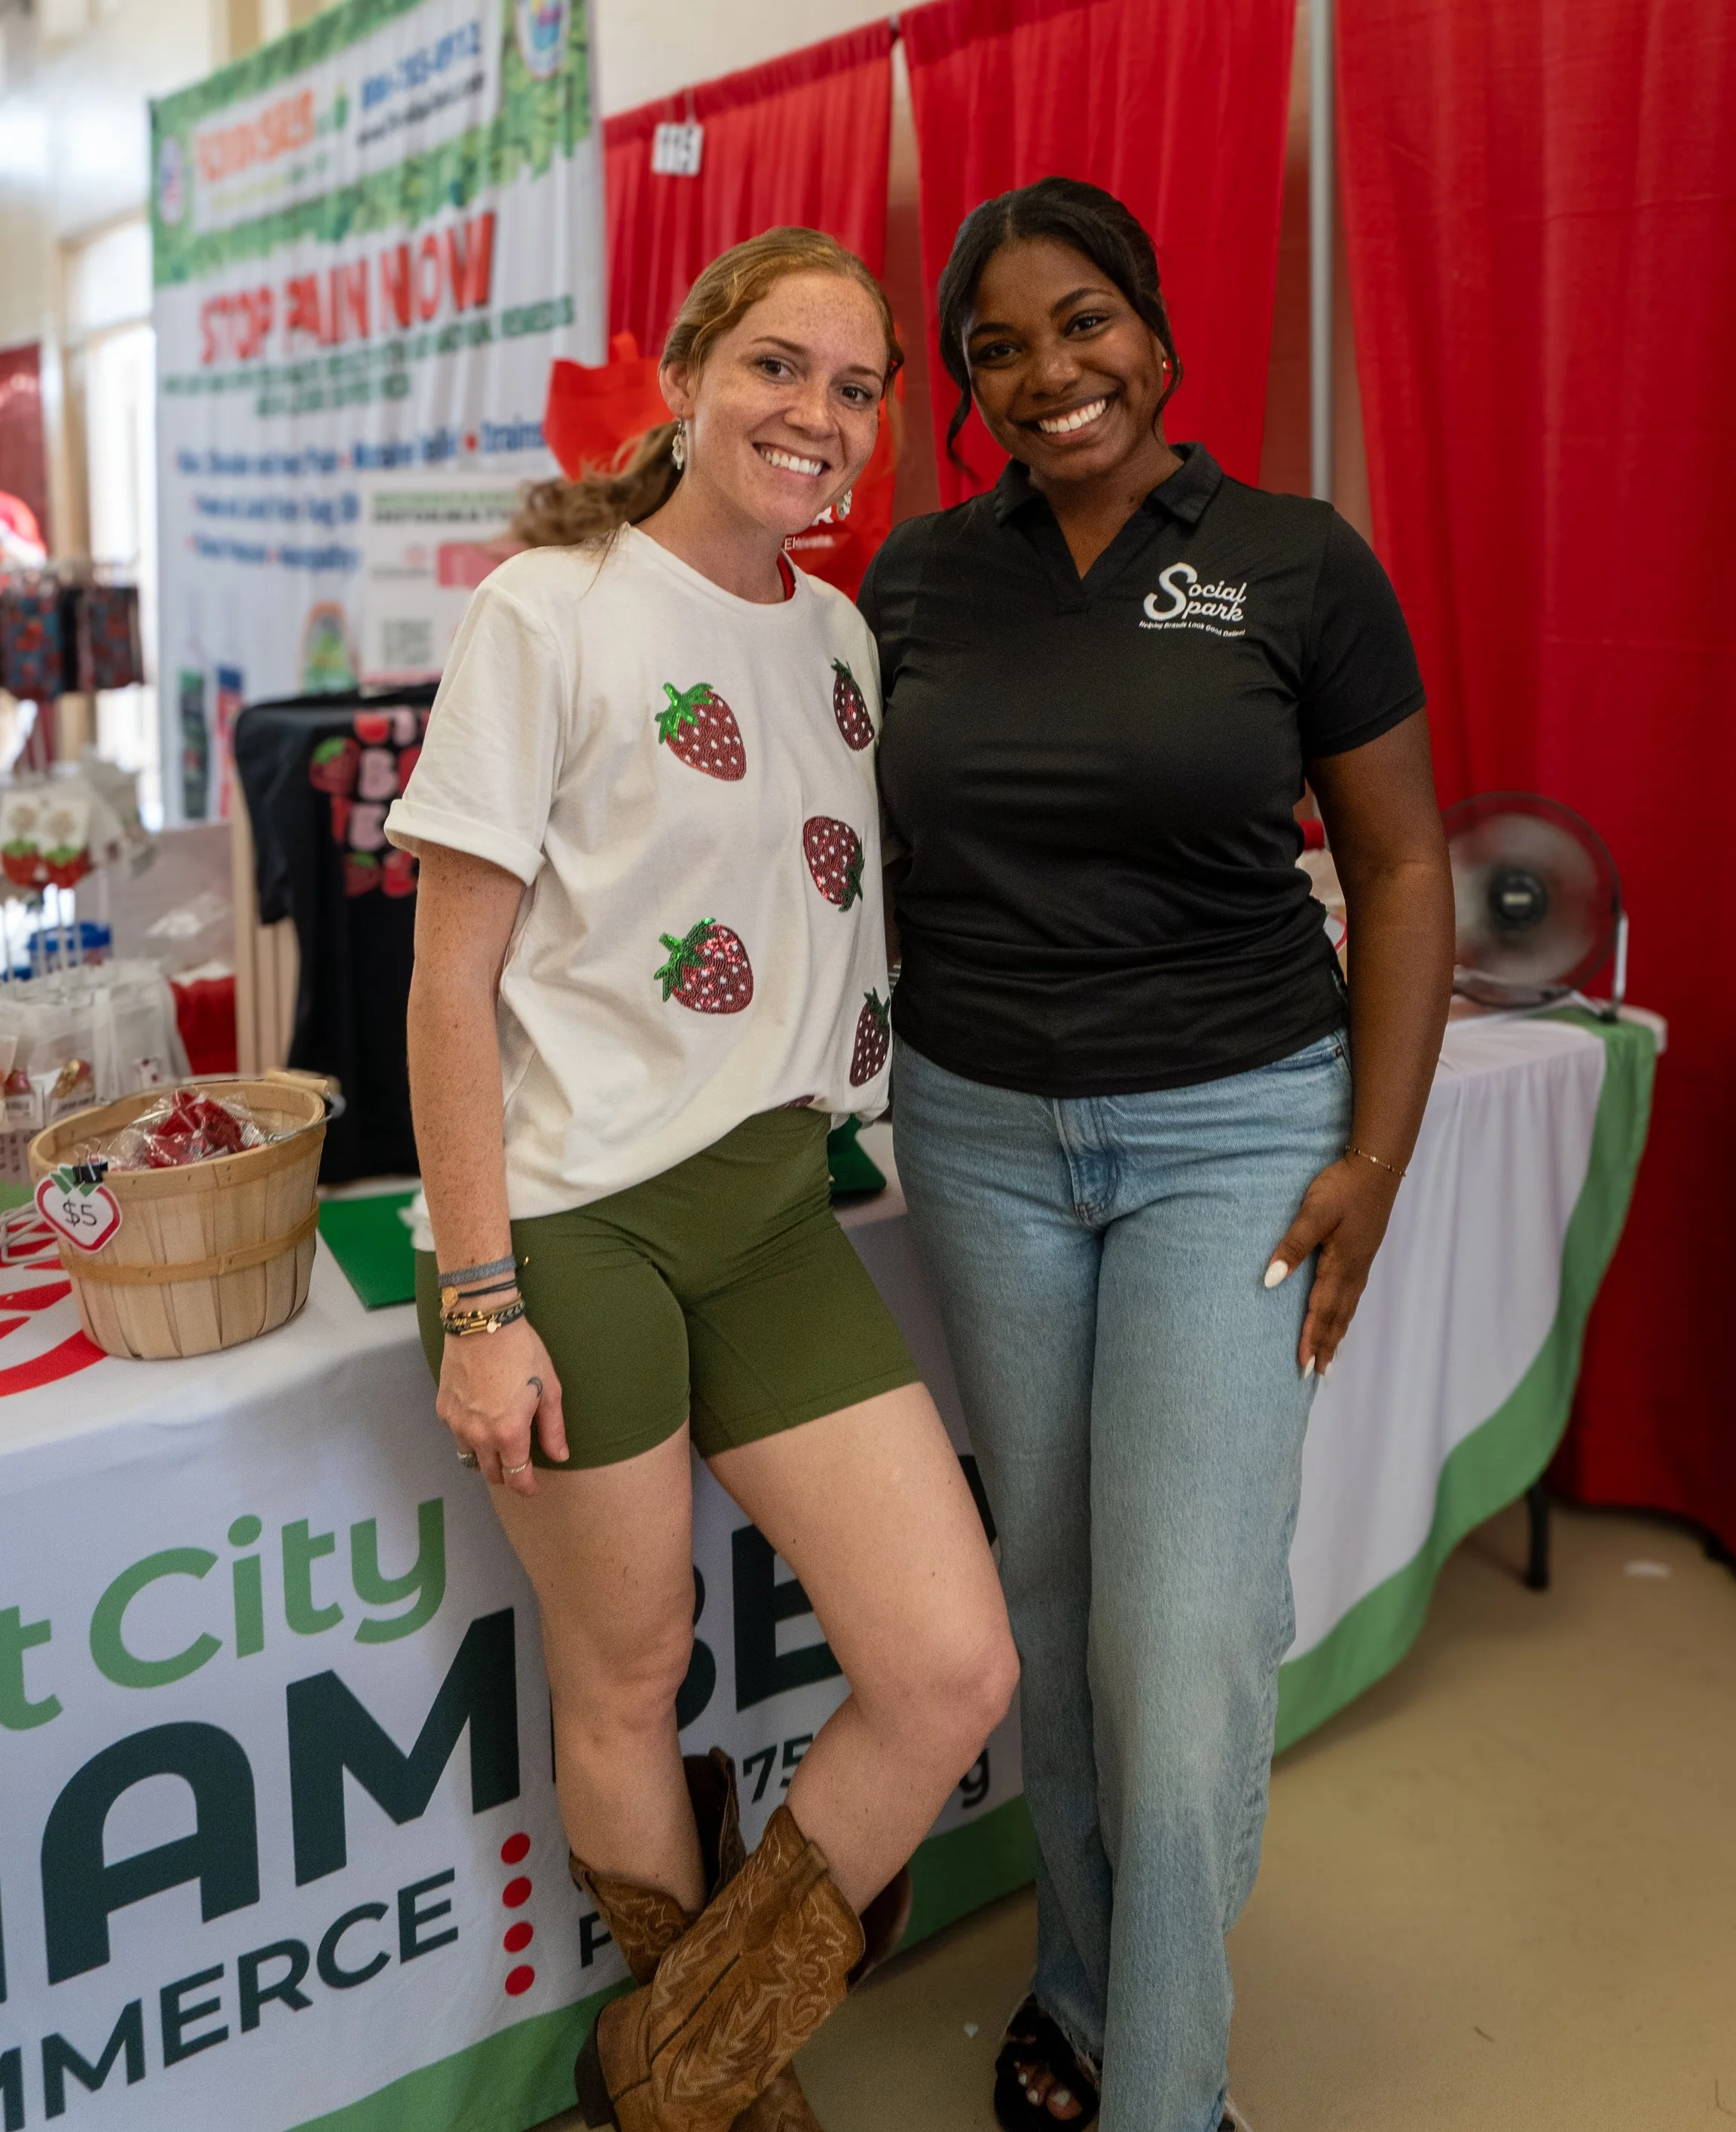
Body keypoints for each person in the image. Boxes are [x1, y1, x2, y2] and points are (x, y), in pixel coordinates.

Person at [388, 228, 1017, 2132]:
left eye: (852, 385)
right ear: (683, 373)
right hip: (566, 1219)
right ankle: (720, 2089)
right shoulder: (547, 609)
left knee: (946, 1665)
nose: (811, 415)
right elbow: (447, 978)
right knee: (634, 1659)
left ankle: (657, 2074)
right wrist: (482, 1300)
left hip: (763, 1199)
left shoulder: (833, 638)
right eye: (772, 366)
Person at [860, 179, 1455, 2132]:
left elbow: (1396, 863)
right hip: (978, 1134)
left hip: (1235, 1125)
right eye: (998, 348)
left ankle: (1166, 2092)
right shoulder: (919, 580)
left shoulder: (1293, 558)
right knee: (1049, 1605)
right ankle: (1085, 1990)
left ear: (1157, 328)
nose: (1050, 372)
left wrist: (1374, 1147)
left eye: (1084, 319)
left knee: (1179, 1635)